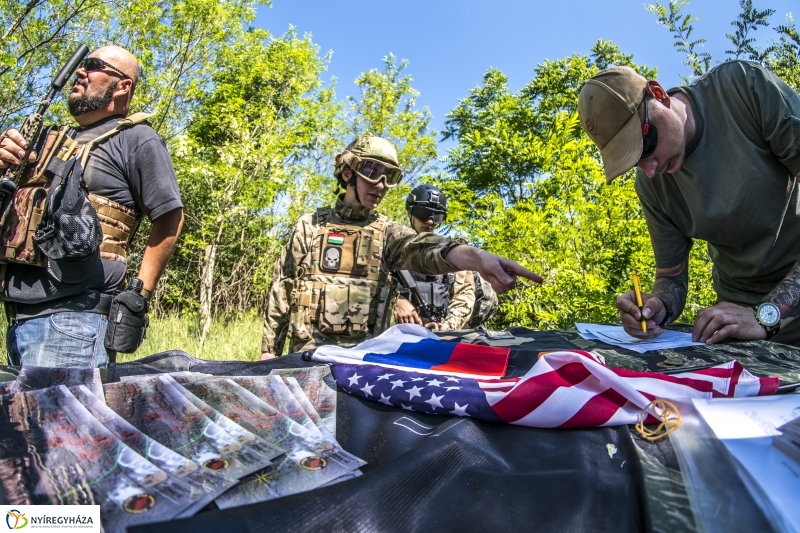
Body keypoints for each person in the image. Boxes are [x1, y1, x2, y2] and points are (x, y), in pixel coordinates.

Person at [578, 60, 800, 346]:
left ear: (658, 94)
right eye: (634, 161)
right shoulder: (652, 186)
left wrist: (766, 316)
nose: (650, 168)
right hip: (742, 331)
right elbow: (671, 278)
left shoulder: (741, 89)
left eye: (645, 146)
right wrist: (658, 307)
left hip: (763, 317)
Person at [261, 136, 541, 358]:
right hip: (307, 359)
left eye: (390, 177)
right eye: (372, 172)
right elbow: (282, 291)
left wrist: (478, 259)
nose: (381, 185)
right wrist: (268, 352)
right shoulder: (308, 226)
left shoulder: (387, 233)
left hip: (363, 364)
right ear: (348, 173)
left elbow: (427, 248)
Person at [0, 45, 184, 367]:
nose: (81, 72)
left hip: (74, 323)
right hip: (18, 320)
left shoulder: (137, 139)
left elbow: (170, 216)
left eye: (94, 65)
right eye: (81, 65)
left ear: (123, 85)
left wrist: (139, 294)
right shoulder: (48, 139)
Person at [394, 184, 498, 331]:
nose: (430, 221)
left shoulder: (449, 254)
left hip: (439, 335)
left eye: (437, 216)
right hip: (393, 335)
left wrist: (448, 324)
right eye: (423, 213)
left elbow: (464, 295)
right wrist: (396, 302)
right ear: (409, 213)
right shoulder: (390, 248)